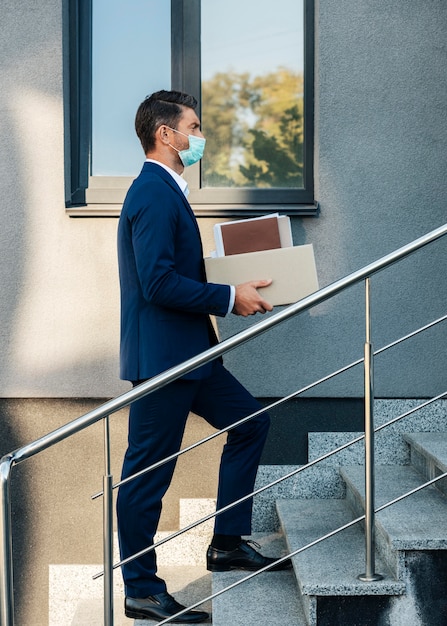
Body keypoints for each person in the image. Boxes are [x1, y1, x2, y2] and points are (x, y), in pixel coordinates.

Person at [116, 89, 291, 624]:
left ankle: (227, 543)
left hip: (194, 354)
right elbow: (157, 282)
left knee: (250, 423)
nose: (199, 137)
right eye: (193, 127)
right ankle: (141, 589)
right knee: (148, 473)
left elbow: (175, 272)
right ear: (165, 134)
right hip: (165, 361)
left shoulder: (170, 192)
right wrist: (226, 297)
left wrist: (226, 275)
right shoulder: (151, 193)